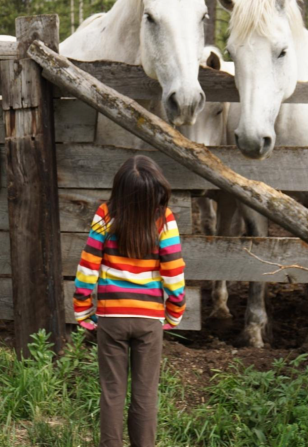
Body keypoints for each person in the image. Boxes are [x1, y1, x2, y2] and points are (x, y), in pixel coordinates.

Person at [73, 155, 186, 447]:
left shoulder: (105, 214)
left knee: (112, 393)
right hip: (150, 322)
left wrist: (83, 310)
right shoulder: (164, 218)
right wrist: (174, 313)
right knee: (145, 395)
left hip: (112, 319)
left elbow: (88, 267)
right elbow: (173, 272)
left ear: (119, 187)